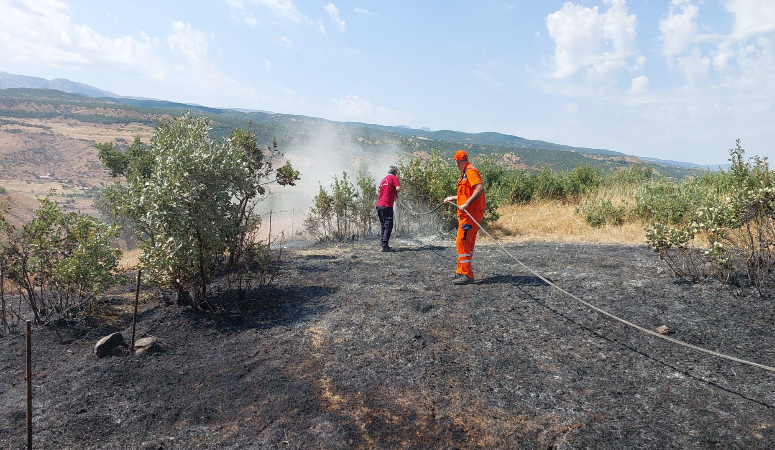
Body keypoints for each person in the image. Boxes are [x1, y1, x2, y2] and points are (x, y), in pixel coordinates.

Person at [443, 150, 486, 285]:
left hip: (471, 213)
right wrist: (452, 198)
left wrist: (466, 204)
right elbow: (466, 194)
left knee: (462, 241)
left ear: (457, 161)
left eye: (455, 162)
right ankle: (461, 271)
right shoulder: (465, 173)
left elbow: (479, 188)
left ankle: (467, 275)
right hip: (467, 214)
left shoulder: (470, 171)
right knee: (465, 242)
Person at [377, 166, 402, 252]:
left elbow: (385, 191)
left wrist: (392, 195)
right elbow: (398, 188)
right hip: (387, 205)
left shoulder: (383, 180)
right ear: (395, 172)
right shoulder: (394, 178)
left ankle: (383, 243)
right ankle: (384, 246)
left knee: (383, 225)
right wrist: (395, 192)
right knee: (388, 225)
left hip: (380, 205)